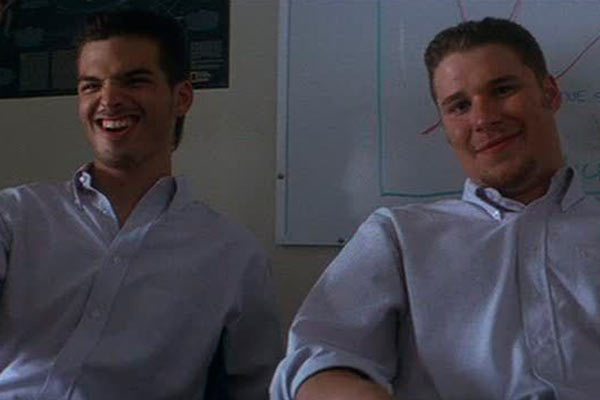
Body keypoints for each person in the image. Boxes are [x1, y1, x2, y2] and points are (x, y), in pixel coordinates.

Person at [271, 17, 600, 400]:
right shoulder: (398, 236)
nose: (483, 119)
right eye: (459, 106)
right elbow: (315, 362)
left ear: (550, 93)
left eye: (503, 89)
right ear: (444, 126)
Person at [0, 9, 281, 400]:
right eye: (91, 86)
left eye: (134, 81)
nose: (108, 99)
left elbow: (258, 389)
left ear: (181, 98)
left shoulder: (234, 255)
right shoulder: (15, 216)